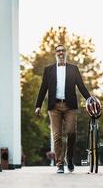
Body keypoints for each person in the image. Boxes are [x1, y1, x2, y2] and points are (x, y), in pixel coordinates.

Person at [35, 44, 91, 174]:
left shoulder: (73, 69)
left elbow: (81, 86)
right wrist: (38, 105)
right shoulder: (48, 70)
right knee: (57, 136)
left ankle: (69, 158)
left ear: (66, 53)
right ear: (55, 53)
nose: (60, 53)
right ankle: (60, 163)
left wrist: (89, 99)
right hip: (54, 107)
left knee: (71, 132)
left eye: (62, 50)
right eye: (58, 51)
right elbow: (43, 88)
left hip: (69, 106)